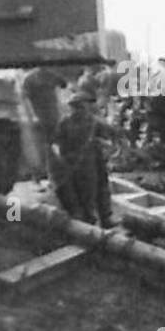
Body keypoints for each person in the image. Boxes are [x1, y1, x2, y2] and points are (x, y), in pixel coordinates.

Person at [50, 88, 119, 227]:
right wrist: (61, 159)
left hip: (95, 158)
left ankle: (106, 218)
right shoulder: (65, 123)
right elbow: (56, 143)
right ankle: (88, 221)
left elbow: (114, 135)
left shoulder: (94, 122)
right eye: (76, 107)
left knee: (102, 189)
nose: (80, 110)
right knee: (84, 191)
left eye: (83, 106)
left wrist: (110, 148)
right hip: (75, 161)